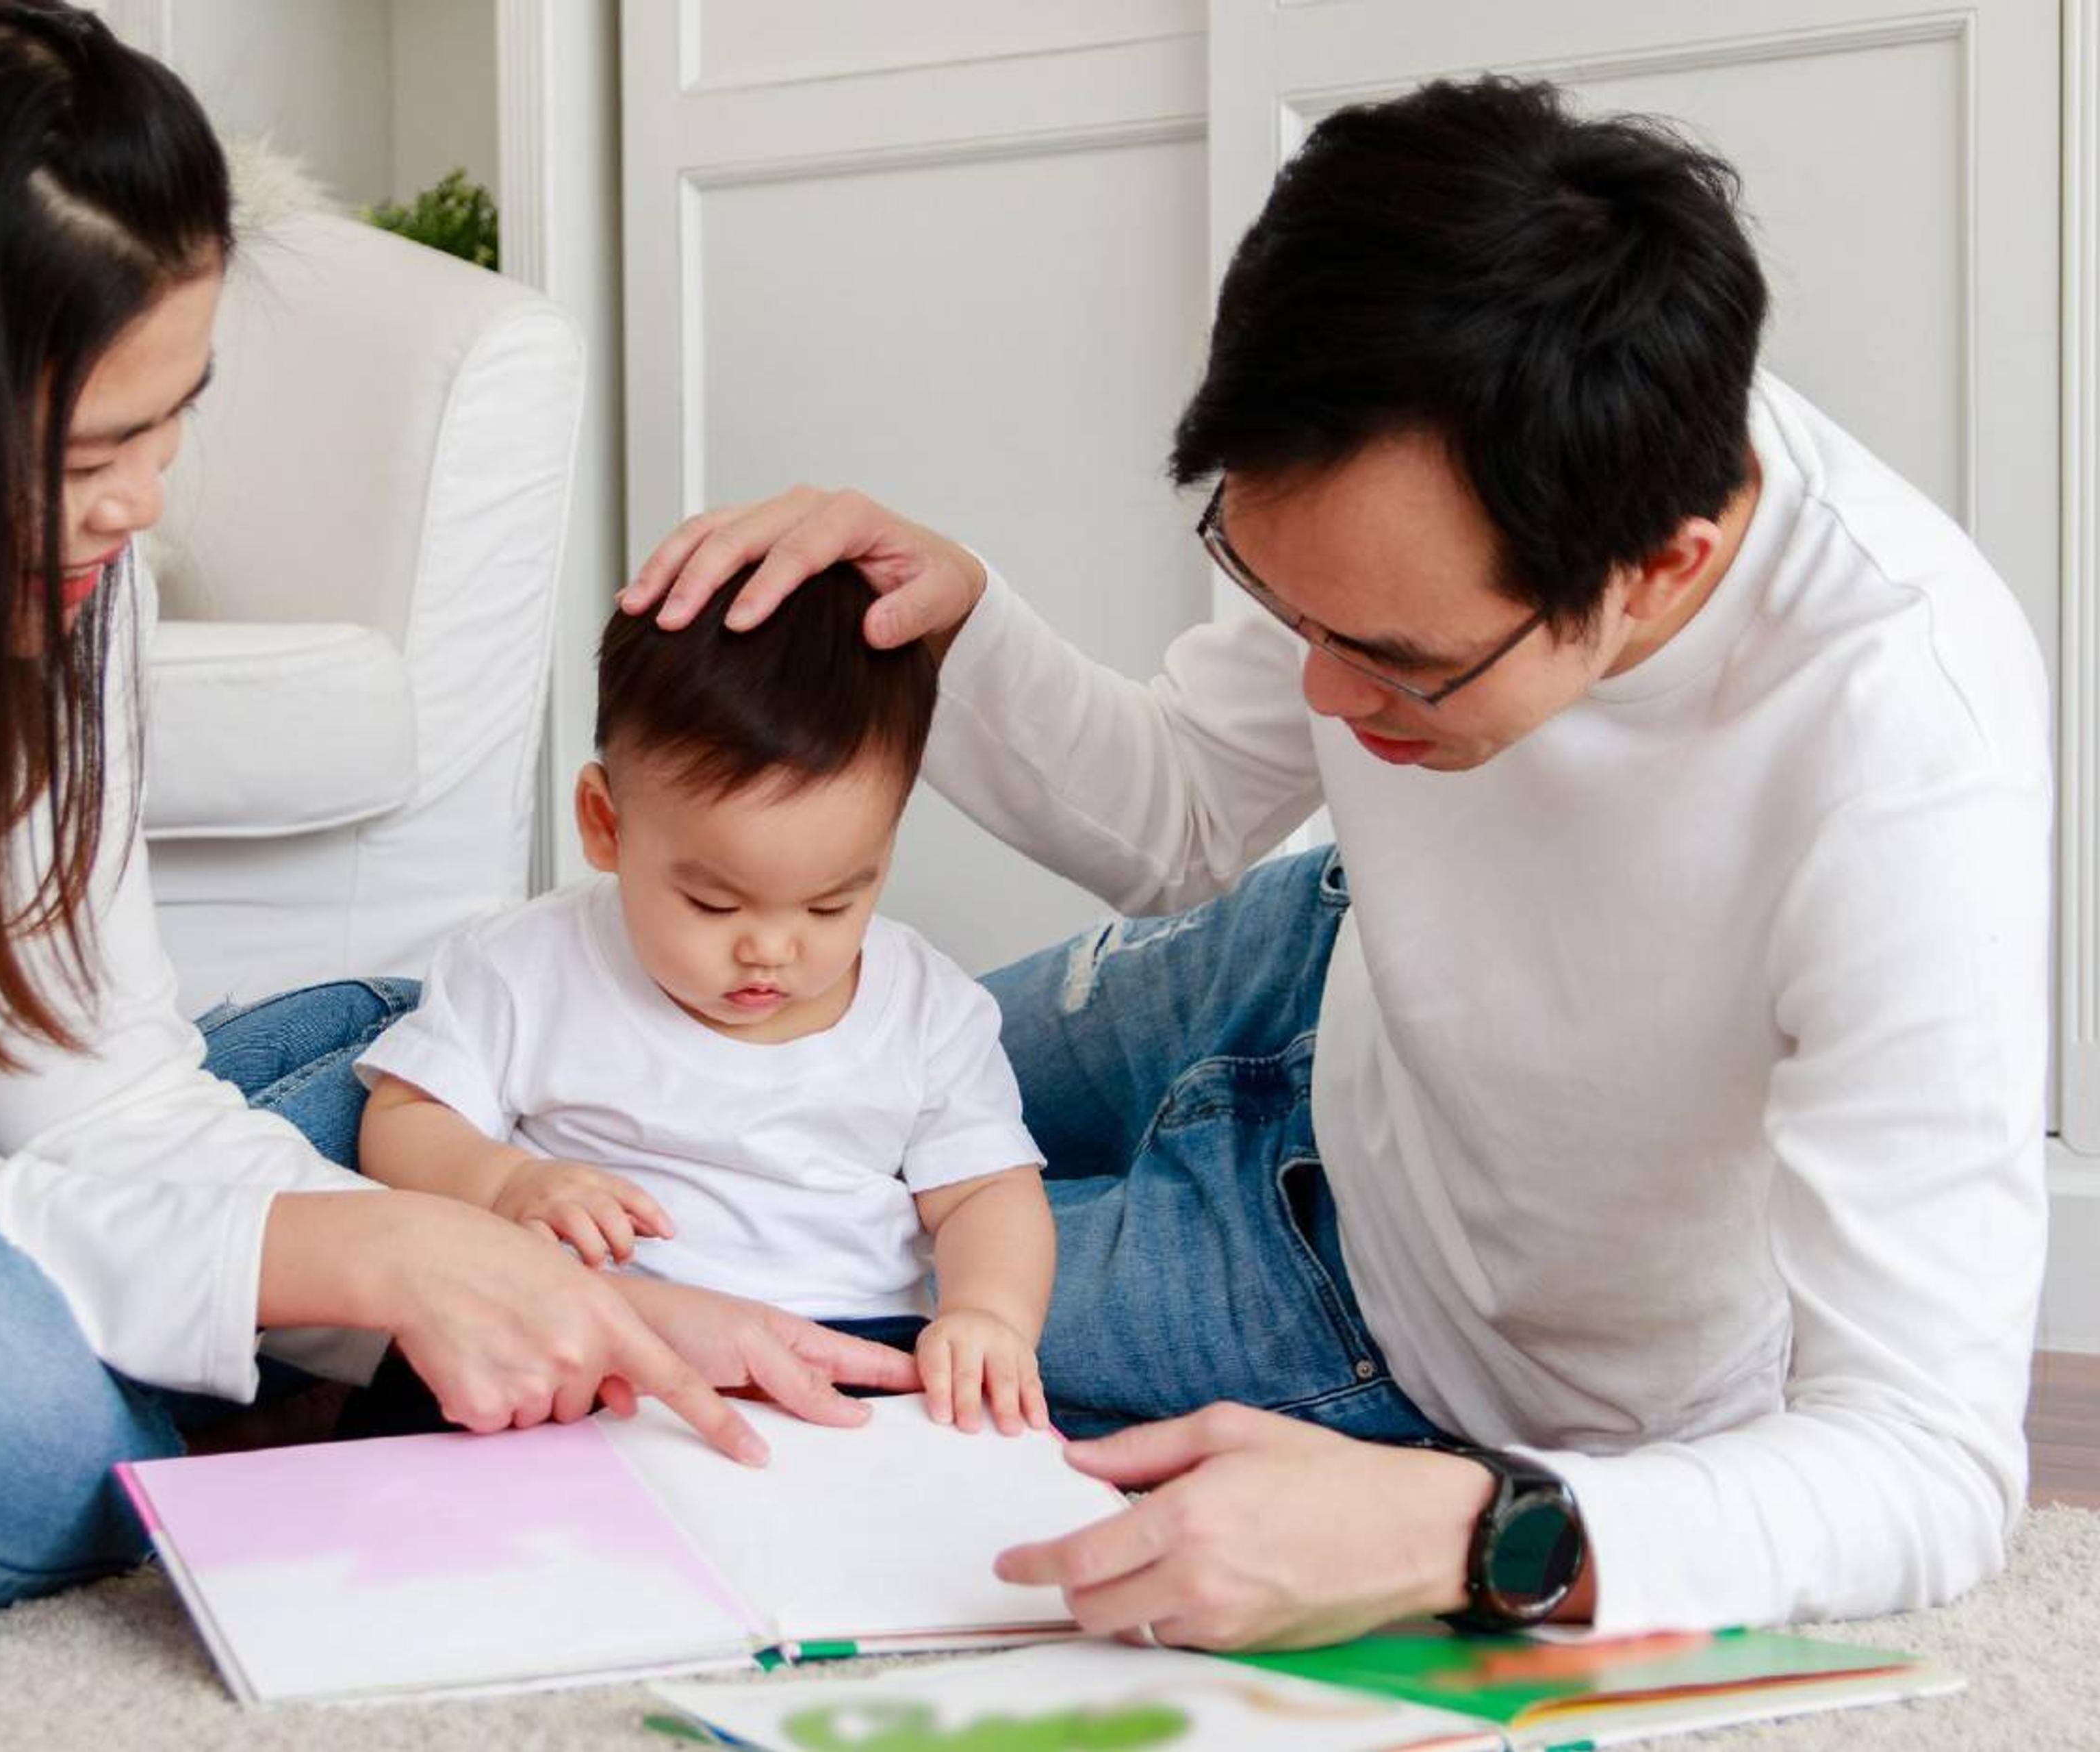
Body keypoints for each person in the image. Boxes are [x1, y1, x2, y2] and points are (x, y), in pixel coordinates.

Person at [0, 0, 912, 1642]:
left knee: (392, 1048)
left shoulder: (46, 580)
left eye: (172, 418)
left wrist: (548, 1285)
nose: (145, 500)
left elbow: (100, 1084)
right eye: (90, 445)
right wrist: (372, 1269)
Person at [622, 77, 2051, 1648]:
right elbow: (1176, 816)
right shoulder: (1440, 406)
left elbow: (1931, 1463)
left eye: (1391, 659)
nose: (1319, 693)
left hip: (1384, 1313)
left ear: (1660, 572)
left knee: (696, 1221)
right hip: (1299, 964)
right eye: (1282, 600)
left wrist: (1469, 1524)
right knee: (637, 1056)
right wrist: (948, 615)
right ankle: (326, 1190)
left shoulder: (1906, 750)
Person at [357, 566, 1056, 1435]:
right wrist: (506, 1183)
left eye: (832, 903)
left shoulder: (929, 1007)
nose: (771, 948)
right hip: (582, 1319)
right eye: (715, 905)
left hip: (845, 1340)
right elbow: (404, 1117)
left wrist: (988, 1314)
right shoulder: (524, 965)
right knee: (425, 1427)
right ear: (606, 825)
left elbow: (987, 1192)